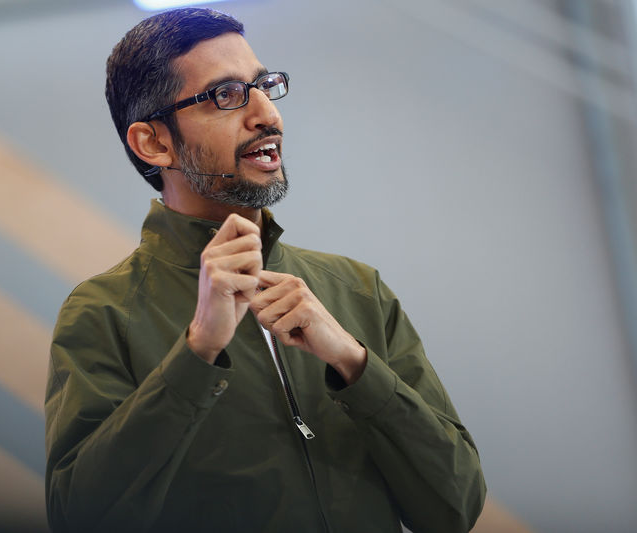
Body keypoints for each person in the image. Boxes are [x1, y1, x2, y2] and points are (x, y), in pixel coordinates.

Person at [45, 7, 486, 533]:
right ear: (154, 143)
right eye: (225, 96)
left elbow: (455, 507)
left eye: (264, 86)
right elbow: (81, 516)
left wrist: (352, 363)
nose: (267, 116)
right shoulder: (104, 312)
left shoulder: (358, 291)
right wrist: (198, 351)